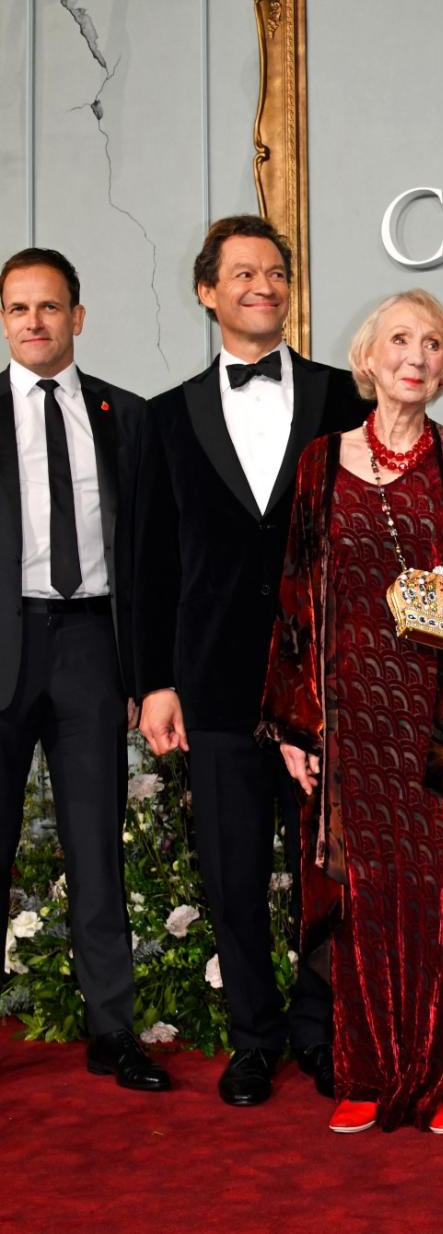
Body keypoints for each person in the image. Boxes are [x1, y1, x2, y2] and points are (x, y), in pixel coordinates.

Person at [259, 289, 443, 1134]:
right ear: (368, 359)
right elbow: (299, 597)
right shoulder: (315, 462)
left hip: (439, 714)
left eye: (434, 344)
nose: (417, 354)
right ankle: (367, 1071)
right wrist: (295, 721)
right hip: (350, 721)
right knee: (366, 898)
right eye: (400, 340)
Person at [133, 215, 366, 1106]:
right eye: (241, 274)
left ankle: (322, 1031)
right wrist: (153, 682)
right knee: (231, 872)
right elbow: (150, 559)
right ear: (207, 291)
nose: (261, 286)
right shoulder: (162, 418)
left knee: (328, 868)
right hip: (216, 681)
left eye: (274, 272)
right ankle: (253, 1042)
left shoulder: (347, 397)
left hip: (327, 683)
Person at [0, 247, 168, 1092]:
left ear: (78, 317)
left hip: (91, 651)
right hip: (6, 644)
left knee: (96, 849)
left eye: (49, 307)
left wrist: (147, 671)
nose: (34, 322)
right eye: (18, 309)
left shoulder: (125, 416)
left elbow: (149, 559)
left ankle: (113, 1031)